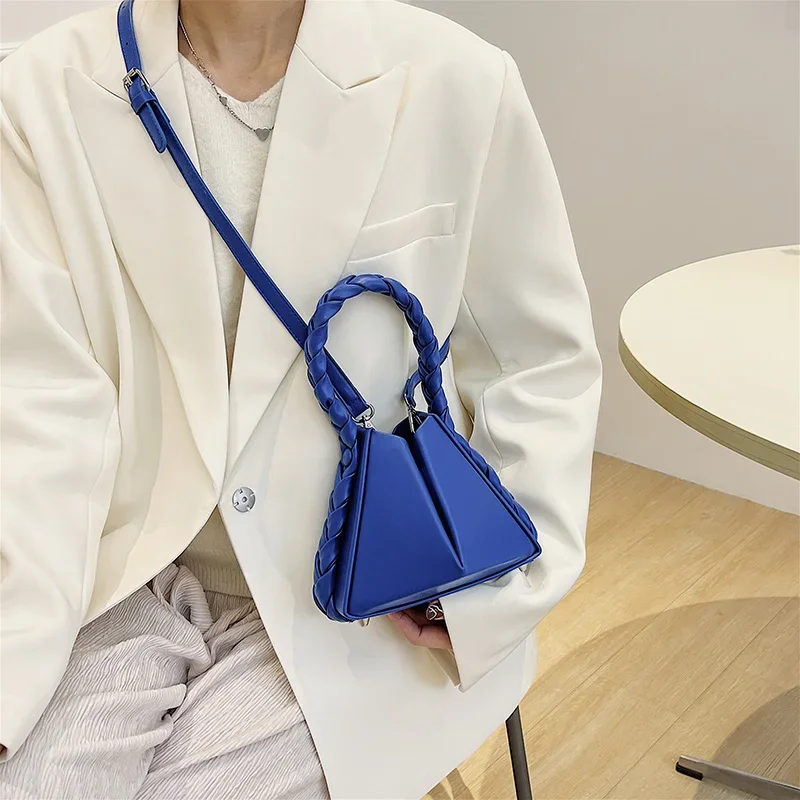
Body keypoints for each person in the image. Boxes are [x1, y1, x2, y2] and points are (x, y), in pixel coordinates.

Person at [0, 0, 602, 797]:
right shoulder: (39, 94)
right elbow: (40, 406)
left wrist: (491, 597)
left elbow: (538, 362)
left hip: (366, 592)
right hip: (120, 571)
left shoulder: (457, 80)